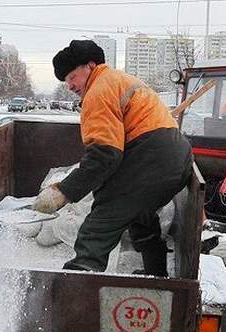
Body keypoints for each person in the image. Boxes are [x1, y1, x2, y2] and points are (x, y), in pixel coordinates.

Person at [33, 40, 193, 277]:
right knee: (139, 213)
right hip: (177, 155)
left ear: (90, 65)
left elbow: (105, 156)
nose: (69, 85)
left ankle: (77, 286)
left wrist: (63, 191)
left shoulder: (98, 90)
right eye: (66, 81)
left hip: (152, 156)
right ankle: (156, 277)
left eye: (72, 76)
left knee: (100, 222)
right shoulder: (118, 79)